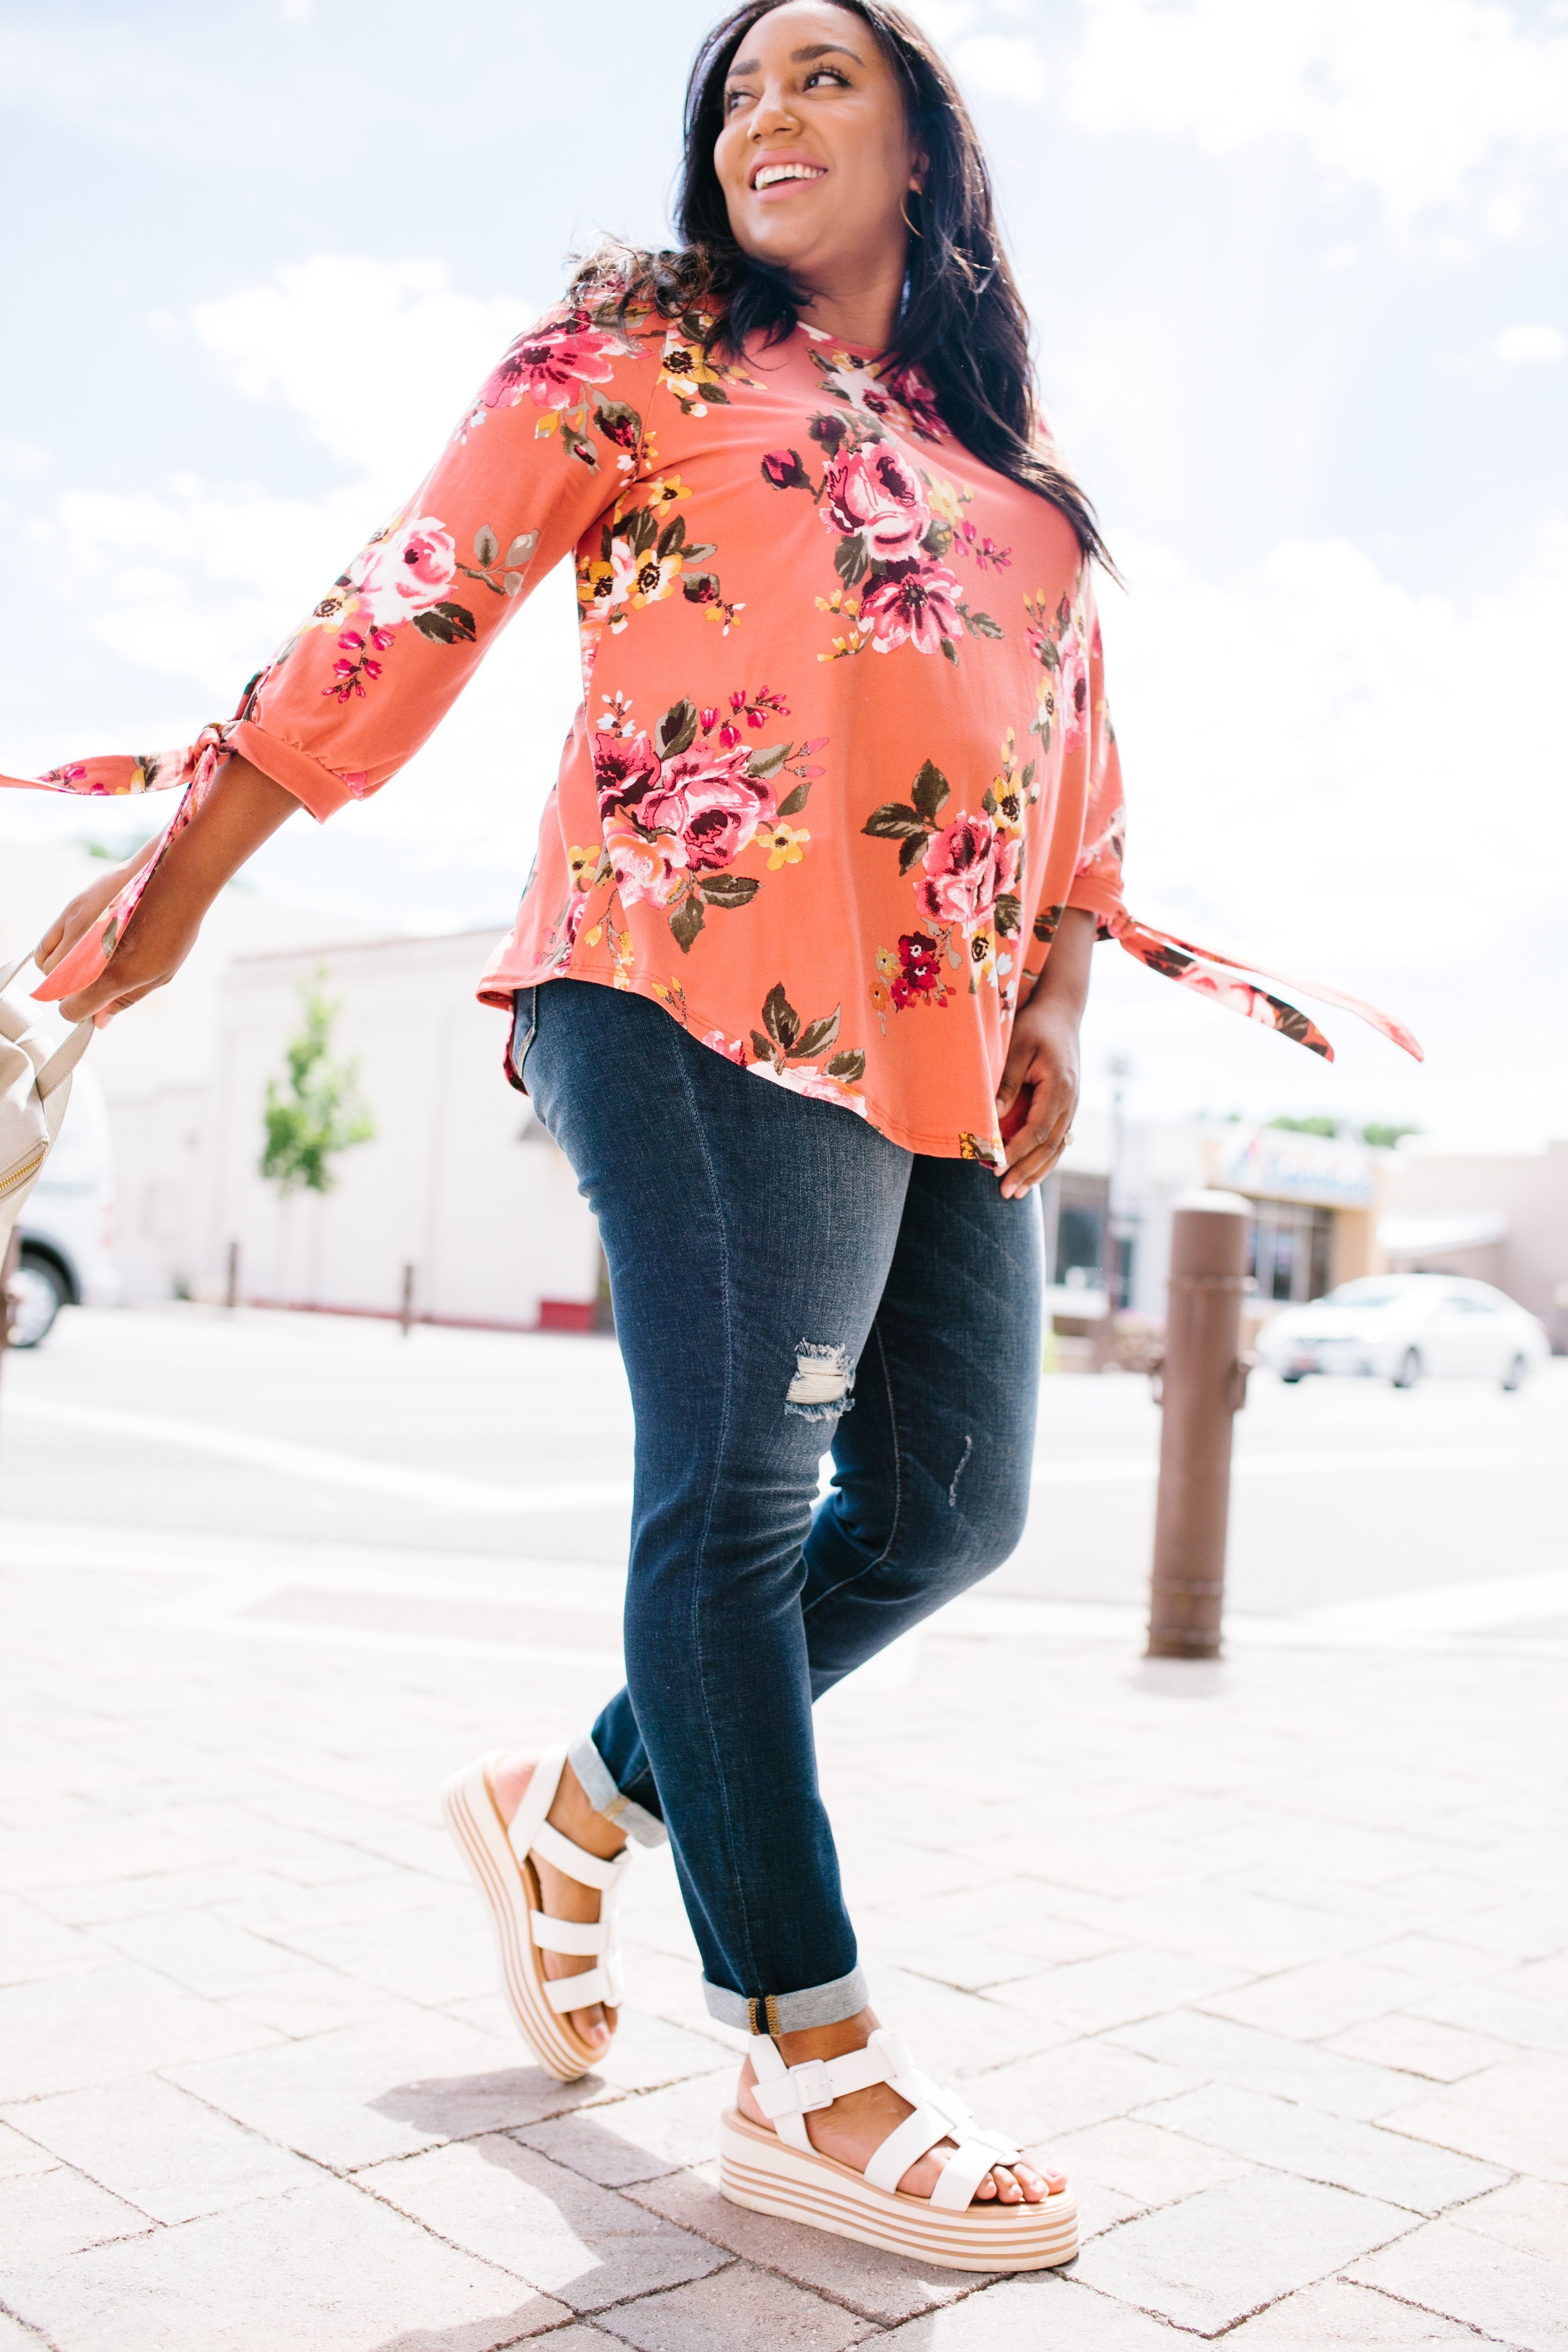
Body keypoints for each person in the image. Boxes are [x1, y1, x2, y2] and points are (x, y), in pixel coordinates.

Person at [10, 0, 1418, 2271]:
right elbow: (416, 596)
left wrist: (1056, 986)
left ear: (928, 145)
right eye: (737, 89)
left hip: (941, 1033)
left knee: (951, 1507)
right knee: (743, 1503)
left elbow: (1074, 761)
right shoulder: (650, 346)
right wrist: (179, 886)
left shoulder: (1015, 470)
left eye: (822, 75)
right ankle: (809, 2051)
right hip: (682, 968)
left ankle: (570, 1800)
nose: (767, 110)